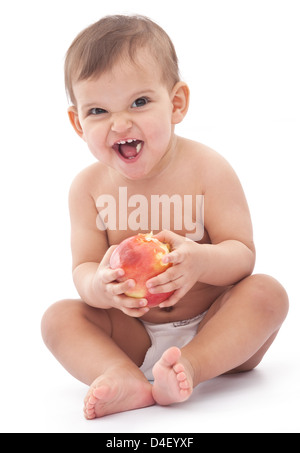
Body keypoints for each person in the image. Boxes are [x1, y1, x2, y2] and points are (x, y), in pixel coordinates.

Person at [41, 15, 289, 420]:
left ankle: (191, 365)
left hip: (216, 323)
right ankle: (121, 375)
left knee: (267, 293)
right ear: (77, 122)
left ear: (176, 104)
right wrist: (100, 287)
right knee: (58, 319)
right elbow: (84, 267)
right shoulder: (87, 188)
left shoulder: (209, 169)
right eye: (99, 110)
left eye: (139, 102)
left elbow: (243, 255)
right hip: (132, 333)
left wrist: (200, 261)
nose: (120, 124)